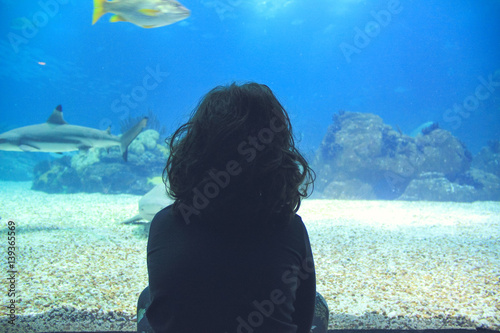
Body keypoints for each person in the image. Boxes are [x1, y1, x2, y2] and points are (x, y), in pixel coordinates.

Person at [137, 82, 328, 333]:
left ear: (194, 147)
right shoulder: (290, 229)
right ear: (276, 153)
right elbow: (302, 323)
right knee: (318, 304)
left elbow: (164, 310)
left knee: (146, 297)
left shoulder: (163, 223)